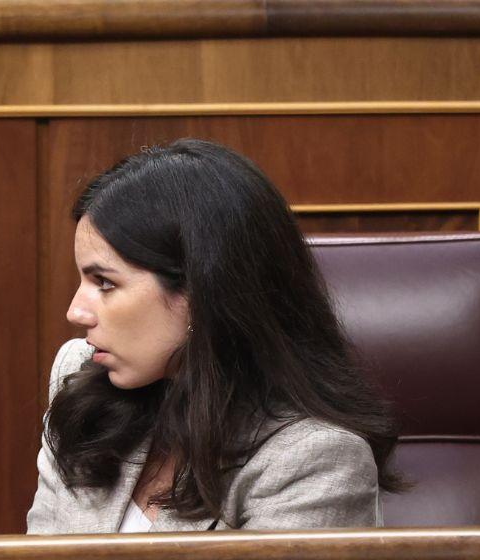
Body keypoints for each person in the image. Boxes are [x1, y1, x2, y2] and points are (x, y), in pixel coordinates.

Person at [27, 139, 401, 535]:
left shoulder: (313, 459)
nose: (75, 312)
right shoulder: (80, 377)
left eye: (104, 282)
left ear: (200, 294)